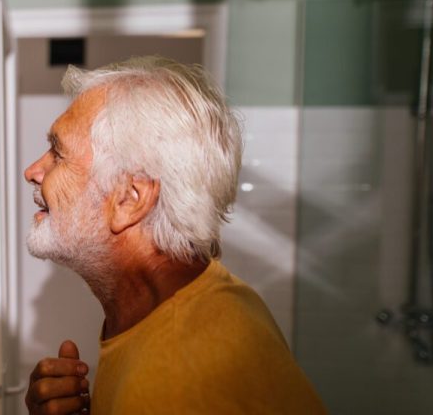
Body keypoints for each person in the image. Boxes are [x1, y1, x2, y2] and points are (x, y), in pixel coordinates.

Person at [23, 57, 326, 414]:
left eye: (58, 154)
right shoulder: (211, 298)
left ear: (129, 200)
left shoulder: (168, 385)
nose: (33, 171)